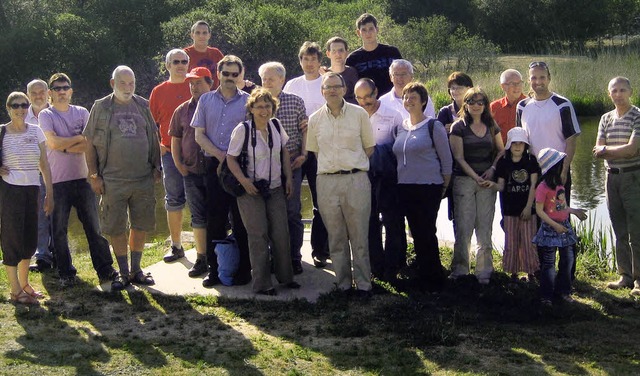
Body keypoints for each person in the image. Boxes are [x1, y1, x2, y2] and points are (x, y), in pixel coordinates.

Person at [84, 66, 162, 290]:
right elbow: (89, 143)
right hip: (112, 181)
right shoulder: (100, 107)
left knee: (140, 224)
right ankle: (123, 273)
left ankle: (137, 270)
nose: (128, 88)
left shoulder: (143, 105)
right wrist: (94, 175)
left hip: (142, 179)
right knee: (116, 227)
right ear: (112, 83)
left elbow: (154, 137)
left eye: (131, 83)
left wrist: (157, 166)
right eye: (123, 83)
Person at [39, 73, 118, 288]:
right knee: (59, 231)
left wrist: (66, 145)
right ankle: (66, 273)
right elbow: (52, 143)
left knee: (94, 228)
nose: (62, 91)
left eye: (65, 87)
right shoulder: (46, 115)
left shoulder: (83, 113)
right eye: (57, 88)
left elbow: (90, 143)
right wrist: (75, 141)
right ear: (50, 93)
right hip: (57, 182)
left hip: (84, 179)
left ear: (71, 91)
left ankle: (105, 270)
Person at [306, 72, 375, 297]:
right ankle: (344, 284)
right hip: (326, 182)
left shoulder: (359, 115)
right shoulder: (315, 119)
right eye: (328, 87)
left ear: (345, 89)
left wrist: (350, 165)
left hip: (356, 179)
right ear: (322, 91)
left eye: (337, 86)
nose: (332, 90)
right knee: (335, 237)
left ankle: (364, 284)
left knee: (359, 236)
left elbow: (369, 148)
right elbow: (315, 152)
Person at [227, 88, 300, 295]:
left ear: (273, 107)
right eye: (259, 106)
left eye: (268, 106)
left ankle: (286, 278)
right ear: (251, 108)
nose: (264, 110)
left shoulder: (276, 126)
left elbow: (284, 152)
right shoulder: (243, 129)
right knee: (258, 234)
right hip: (250, 190)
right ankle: (262, 284)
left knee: (280, 233)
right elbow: (230, 159)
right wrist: (244, 181)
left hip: (275, 187)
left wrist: (289, 179)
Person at [516, 61, 581, 279]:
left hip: (557, 171)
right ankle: (539, 271)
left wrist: (564, 169)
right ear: (529, 80)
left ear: (549, 78)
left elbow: (571, 139)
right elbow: (521, 140)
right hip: (533, 171)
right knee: (535, 220)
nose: (538, 82)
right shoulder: (523, 106)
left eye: (542, 77)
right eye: (534, 78)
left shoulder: (562, 104)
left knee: (561, 219)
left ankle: (567, 275)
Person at [191, 55, 251, 287]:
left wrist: (233, 159)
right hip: (213, 167)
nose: (229, 78)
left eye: (234, 74)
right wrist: (221, 156)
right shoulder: (205, 100)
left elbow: (250, 135)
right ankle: (214, 271)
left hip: (240, 169)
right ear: (218, 74)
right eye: (226, 73)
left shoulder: (248, 101)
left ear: (240, 76)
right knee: (214, 221)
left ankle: (244, 270)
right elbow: (199, 135)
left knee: (240, 221)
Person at [392, 82, 453, 291]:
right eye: (406, 97)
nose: (409, 101)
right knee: (416, 232)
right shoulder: (401, 126)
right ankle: (424, 273)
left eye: (414, 97)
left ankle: (434, 277)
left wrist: (444, 186)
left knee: (426, 231)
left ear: (424, 102)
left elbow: (446, 159)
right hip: (405, 187)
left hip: (429, 186)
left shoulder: (433, 125)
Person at [1, 91, 54, 304]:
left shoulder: (36, 131)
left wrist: (49, 193)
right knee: (12, 239)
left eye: (24, 105)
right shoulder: (2, 132)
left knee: (29, 238)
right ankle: (15, 291)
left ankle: (25, 284)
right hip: (10, 191)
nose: (20, 109)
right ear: (8, 108)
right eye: (15, 105)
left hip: (32, 189)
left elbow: (44, 165)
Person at [449, 87, 504, 284]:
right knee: (464, 227)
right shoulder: (458, 127)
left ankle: (484, 271)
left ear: (485, 105)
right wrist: (475, 177)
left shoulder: (491, 125)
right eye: (471, 101)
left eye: (480, 102)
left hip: (487, 182)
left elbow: (501, 150)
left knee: (484, 227)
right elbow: (458, 157)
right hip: (464, 181)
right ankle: (460, 270)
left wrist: (492, 169)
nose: (476, 105)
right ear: (465, 104)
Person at [258, 62, 309, 269]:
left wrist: (305, 154)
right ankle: (274, 257)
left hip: (294, 163)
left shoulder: (296, 101)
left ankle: (294, 258)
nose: (266, 82)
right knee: (269, 212)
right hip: (264, 167)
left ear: (282, 80)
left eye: (270, 79)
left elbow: (305, 130)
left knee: (292, 212)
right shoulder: (256, 103)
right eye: (264, 79)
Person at [354, 78, 406, 281]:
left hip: (387, 175)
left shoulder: (393, 115)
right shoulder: (355, 116)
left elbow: (400, 146)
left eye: (368, 96)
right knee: (369, 222)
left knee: (393, 222)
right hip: (363, 174)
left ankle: (393, 267)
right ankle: (376, 267)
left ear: (376, 92)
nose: (365, 101)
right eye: (359, 98)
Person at [283, 41, 329, 272]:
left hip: (321, 149)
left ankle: (320, 250)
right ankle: (292, 254)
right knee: (291, 202)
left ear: (320, 61)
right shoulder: (292, 84)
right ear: (300, 61)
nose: (309, 63)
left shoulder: (326, 83)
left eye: (313, 59)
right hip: (295, 150)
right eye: (305, 59)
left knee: (321, 201)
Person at [593, 76, 640, 296]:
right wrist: (606, 151)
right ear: (609, 93)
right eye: (614, 90)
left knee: (636, 230)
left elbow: (632, 150)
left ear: (630, 91)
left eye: (622, 90)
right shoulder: (605, 118)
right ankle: (625, 276)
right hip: (611, 178)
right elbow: (596, 148)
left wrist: (607, 151)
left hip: (633, 177)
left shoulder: (637, 116)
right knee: (619, 229)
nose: (618, 94)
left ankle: (639, 281)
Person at [169, 67, 214, 278]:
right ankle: (201, 258)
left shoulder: (218, 106)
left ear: (210, 83)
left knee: (220, 215)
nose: (193, 87)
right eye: (191, 83)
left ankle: (219, 257)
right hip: (192, 172)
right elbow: (175, 139)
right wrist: (178, 164)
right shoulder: (182, 110)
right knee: (197, 216)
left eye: (198, 83)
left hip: (216, 172)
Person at [149, 48, 192, 265]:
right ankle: (176, 246)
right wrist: (158, 145)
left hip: (195, 153)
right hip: (169, 153)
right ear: (167, 65)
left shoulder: (195, 86)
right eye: (176, 61)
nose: (180, 65)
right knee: (174, 199)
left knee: (201, 200)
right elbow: (150, 124)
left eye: (184, 61)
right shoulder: (158, 91)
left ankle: (208, 246)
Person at [533, 147, 587, 305]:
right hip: (550, 228)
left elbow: (561, 207)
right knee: (549, 263)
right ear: (553, 167)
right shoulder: (542, 187)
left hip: (564, 226)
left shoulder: (560, 186)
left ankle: (564, 290)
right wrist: (554, 225)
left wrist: (574, 211)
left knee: (568, 258)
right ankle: (546, 295)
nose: (564, 166)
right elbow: (539, 211)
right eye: (561, 164)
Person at [488, 127, 539, 280]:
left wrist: (529, 206)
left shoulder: (531, 161)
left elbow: (534, 185)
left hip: (528, 210)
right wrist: (492, 185)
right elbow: (501, 186)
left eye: (521, 143)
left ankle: (531, 272)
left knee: (529, 243)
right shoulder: (504, 162)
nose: (517, 146)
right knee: (511, 243)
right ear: (509, 144)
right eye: (514, 143)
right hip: (509, 210)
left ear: (526, 145)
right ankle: (513, 273)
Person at [25, 79, 54, 272]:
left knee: (58, 215)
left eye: (41, 91)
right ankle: (42, 255)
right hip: (33, 174)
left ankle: (58, 252)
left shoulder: (55, 113)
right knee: (40, 215)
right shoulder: (21, 116)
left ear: (48, 93)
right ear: (28, 96)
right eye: (34, 93)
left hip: (58, 172)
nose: (38, 96)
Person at [346, 13, 402, 96]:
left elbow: (404, 74)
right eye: (364, 30)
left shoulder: (392, 52)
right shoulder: (353, 59)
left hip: (393, 101)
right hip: (366, 104)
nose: (368, 33)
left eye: (371, 29)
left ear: (377, 30)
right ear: (358, 33)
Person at [490, 69, 526, 145]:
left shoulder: (530, 105)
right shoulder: (494, 107)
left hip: (525, 153)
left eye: (519, 83)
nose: (517, 87)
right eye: (513, 84)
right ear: (503, 87)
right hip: (501, 153)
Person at [185, 20, 224, 89]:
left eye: (204, 33)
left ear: (209, 35)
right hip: (192, 95)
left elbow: (228, 72)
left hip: (213, 97)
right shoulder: (185, 54)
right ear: (192, 35)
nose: (201, 36)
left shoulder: (216, 53)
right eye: (197, 33)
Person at [324, 36, 359, 104]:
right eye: (334, 51)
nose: (338, 54)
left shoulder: (352, 72)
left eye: (341, 50)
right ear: (328, 54)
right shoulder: (324, 75)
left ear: (346, 53)